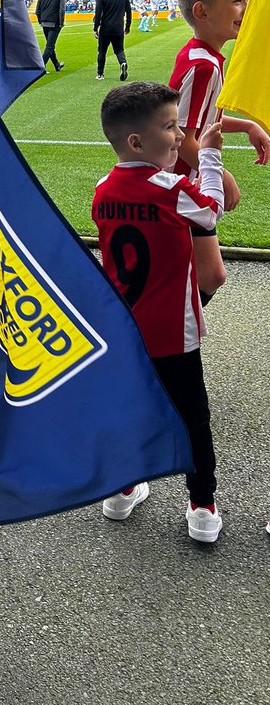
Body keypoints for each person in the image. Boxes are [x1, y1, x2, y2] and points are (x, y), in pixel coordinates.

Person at [92, 83, 225, 542]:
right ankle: (202, 506)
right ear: (136, 142)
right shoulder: (171, 189)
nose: (179, 134)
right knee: (192, 418)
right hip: (173, 332)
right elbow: (212, 212)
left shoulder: (101, 189)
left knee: (131, 409)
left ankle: (123, 489)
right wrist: (208, 155)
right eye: (170, 127)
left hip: (125, 330)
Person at [168, 0, 270, 303]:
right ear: (202, 11)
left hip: (184, 183)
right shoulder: (203, 66)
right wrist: (221, 173)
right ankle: (170, 339)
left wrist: (247, 125)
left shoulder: (205, 57)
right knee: (209, 275)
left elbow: (202, 118)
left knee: (202, 273)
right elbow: (180, 135)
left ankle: (169, 332)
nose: (246, 10)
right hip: (178, 187)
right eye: (238, 1)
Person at [93, 0, 131, 81]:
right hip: (118, 28)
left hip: (105, 29)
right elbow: (129, 13)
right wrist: (127, 27)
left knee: (102, 51)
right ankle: (123, 63)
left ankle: (100, 74)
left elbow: (98, 14)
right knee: (119, 49)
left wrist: (95, 28)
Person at [34, 0, 66, 72]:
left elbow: (37, 10)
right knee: (50, 46)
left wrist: (40, 21)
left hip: (44, 22)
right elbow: (62, 10)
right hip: (54, 23)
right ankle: (41, 67)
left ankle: (57, 65)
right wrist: (61, 23)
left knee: (50, 44)